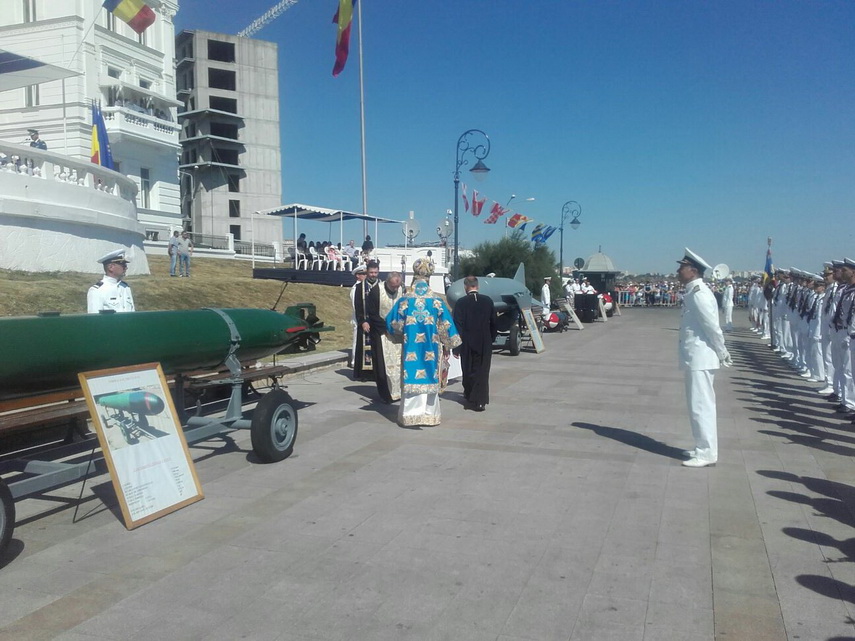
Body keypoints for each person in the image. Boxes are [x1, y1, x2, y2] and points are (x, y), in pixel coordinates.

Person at [386, 258, 461, 427]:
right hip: (430, 348)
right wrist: (449, 342)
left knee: (411, 374)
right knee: (429, 375)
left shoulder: (405, 300)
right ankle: (429, 415)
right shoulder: (436, 301)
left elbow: (392, 323)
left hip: (411, 347)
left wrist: (402, 332)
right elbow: (447, 326)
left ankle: (410, 415)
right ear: (429, 278)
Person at [676, 248, 731, 468]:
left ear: (693, 270)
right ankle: (702, 446)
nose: (678, 271)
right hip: (695, 357)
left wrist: (722, 350)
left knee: (701, 405)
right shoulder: (693, 291)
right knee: (696, 404)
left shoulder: (699, 293)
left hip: (701, 357)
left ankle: (707, 453)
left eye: (682, 267)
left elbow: (712, 326)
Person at [452, 276, 498, 411]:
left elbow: (458, 325)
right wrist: (491, 338)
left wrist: (456, 347)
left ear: (466, 287)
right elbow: (494, 322)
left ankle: (470, 395)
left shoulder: (461, 303)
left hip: (467, 340)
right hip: (484, 340)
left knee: (468, 368)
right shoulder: (487, 301)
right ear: (477, 286)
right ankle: (480, 400)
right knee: (483, 371)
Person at [365, 272, 404, 403]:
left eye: (397, 287)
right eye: (393, 286)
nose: (395, 289)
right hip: (382, 333)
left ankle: (400, 391)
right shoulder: (376, 291)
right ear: (387, 282)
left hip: (398, 334)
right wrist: (386, 328)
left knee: (399, 363)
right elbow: (372, 313)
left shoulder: (402, 291)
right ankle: (386, 393)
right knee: (383, 365)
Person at [353, 261, 381, 381]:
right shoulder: (360, 287)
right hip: (366, 321)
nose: (373, 275)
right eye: (371, 272)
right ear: (367, 272)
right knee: (365, 347)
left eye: (375, 272)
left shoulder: (382, 286)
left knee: (378, 348)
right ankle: (365, 374)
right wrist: (362, 321)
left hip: (378, 323)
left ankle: (378, 372)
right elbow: (358, 306)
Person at [87, 249, 135, 313]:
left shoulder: (126, 287)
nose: (126, 268)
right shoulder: (97, 290)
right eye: (123, 265)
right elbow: (95, 319)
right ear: (111, 267)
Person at [349, 265, 367, 369]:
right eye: (363, 274)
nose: (365, 276)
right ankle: (354, 361)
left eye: (365, 273)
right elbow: (356, 305)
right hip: (359, 317)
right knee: (357, 340)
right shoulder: (356, 288)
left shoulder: (366, 286)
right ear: (357, 276)